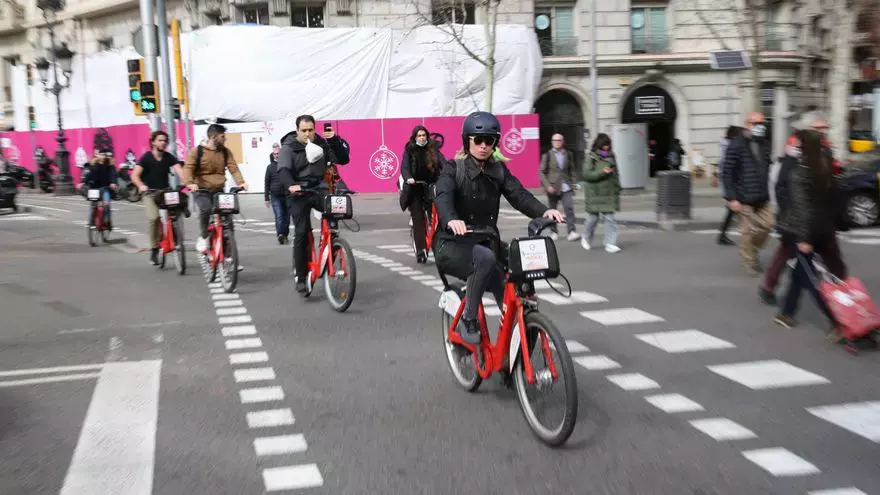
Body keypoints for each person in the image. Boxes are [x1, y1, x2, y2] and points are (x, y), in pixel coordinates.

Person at [433, 111, 564, 344]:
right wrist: (452, 219)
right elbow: (442, 196)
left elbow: (519, 195)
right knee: (484, 258)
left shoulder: (498, 171)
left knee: (520, 272)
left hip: (486, 241)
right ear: (467, 141)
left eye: (489, 141)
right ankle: (469, 318)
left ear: (495, 143)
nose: (483, 146)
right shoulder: (454, 168)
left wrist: (544, 211)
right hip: (452, 243)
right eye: (478, 140)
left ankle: (516, 341)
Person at [774, 129, 843, 330]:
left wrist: (804, 238)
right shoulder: (825, 168)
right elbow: (833, 200)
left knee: (812, 279)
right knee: (799, 272)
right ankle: (786, 313)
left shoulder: (800, 172)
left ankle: (836, 321)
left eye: (798, 145)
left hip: (803, 231)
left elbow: (802, 208)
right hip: (824, 229)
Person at [276, 115, 351, 293]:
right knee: (302, 232)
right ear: (297, 131)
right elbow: (283, 170)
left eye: (311, 129)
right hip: (298, 192)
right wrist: (290, 185)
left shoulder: (321, 144)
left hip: (319, 188)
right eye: (304, 130)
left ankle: (332, 246)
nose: (308, 134)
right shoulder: (289, 148)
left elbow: (343, 159)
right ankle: (300, 276)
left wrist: (333, 140)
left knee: (334, 216)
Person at [183, 124, 249, 254]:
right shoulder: (197, 151)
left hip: (219, 190)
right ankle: (203, 237)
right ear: (213, 137)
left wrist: (241, 183)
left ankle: (230, 256)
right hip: (201, 190)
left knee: (228, 221)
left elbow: (233, 168)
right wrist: (190, 183)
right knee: (206, 209)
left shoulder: (225, 151)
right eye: (223, 136)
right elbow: (188, 168)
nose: (225, 139)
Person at [722, 111, 773, 276]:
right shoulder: (736, 144)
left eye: (761, 124)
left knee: (768, 225)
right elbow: (727, 172)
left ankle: (752, 250)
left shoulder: (764, 143)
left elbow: (766, 166)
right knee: (747, 231)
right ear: (747, 125)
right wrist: (731, 198)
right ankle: (749, 262)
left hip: (763, 196)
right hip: (743, 197)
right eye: (755, 124)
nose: (759, 127)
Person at [131, 130, 186, 265]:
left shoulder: (168, 157)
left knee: (178, 204)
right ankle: (154, 248)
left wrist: (186, 181)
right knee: (154, 217)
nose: (163, 143)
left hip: (165, 191)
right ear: (153, 142)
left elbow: (180, 170)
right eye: (160, 140)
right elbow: (135, 175)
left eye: (165, 140)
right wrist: (141, 185)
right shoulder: (146, 157)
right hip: (149, 192)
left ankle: (176, 229)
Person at [401, 125, 441, 263]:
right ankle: (421, 250)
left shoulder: (433, 149)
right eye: (419, 135)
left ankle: (439, 246)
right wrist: (408, 178)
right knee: (417, 217)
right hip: (415, 187)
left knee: (438, 216)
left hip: (430, 187)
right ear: (415, 137)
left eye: (424, 135)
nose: (422, 138)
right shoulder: (409, 150)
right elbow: (404, 167)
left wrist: (450, 173)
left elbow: (444, 163)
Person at [580, 133, 622, 253]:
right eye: (604, 145)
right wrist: (602, 172)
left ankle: (610, 243)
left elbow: (616, 173)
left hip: (608, 192)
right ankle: (586, 237)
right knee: (592, 219)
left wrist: (618, 187)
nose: (606, 148)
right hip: (595, 193)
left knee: (610, 219)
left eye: (608, 145)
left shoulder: (612, 156)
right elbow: (587, 175)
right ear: (598, 145)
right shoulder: (591, 157)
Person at [540, 133, 580, 242]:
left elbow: (572, 170)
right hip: (553, 187)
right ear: (552, 142)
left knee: (569, 209)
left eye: (559, 140)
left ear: (563, 141)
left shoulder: (568, 154)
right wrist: (547, 186)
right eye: (555, 140)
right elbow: (541, 172)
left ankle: (571, 231)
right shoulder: (547, 155)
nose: (557, 142)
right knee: (552, 211)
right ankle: (553, 232)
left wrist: (574, 184)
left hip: (566, 186)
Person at [717, 126, 743, 246]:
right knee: (734, 210)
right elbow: (726, 169)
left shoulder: (727, 146)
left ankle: (722, 235)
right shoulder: (729, 148)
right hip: (731, 185)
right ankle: (722, 235)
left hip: (731, 185)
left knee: (732, 211)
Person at [82, 147, 118, 228]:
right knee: (93, 205)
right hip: (94, 189)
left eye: (104, 155)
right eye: (101, 154)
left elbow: (113, 175)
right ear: (97, 156)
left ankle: (107, 221)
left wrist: (113, 182)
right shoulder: (93, 165)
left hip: (105, 188)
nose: (103, 156)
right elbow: (88, 175)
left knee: (106, 204)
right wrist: (84, 183)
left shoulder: (109, 166)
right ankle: (91, 222)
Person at [264, 143, 289, 245]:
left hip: (287, 195)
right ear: (272, 154)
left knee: (287, 217)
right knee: (279, 216)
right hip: (275, 196)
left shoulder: (286, 164)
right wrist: (266, 198)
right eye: (275, 154)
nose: (277, 155)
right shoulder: (270, 167)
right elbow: (266, 182)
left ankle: (285, 234)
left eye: (278, 153)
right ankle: (280, 234)